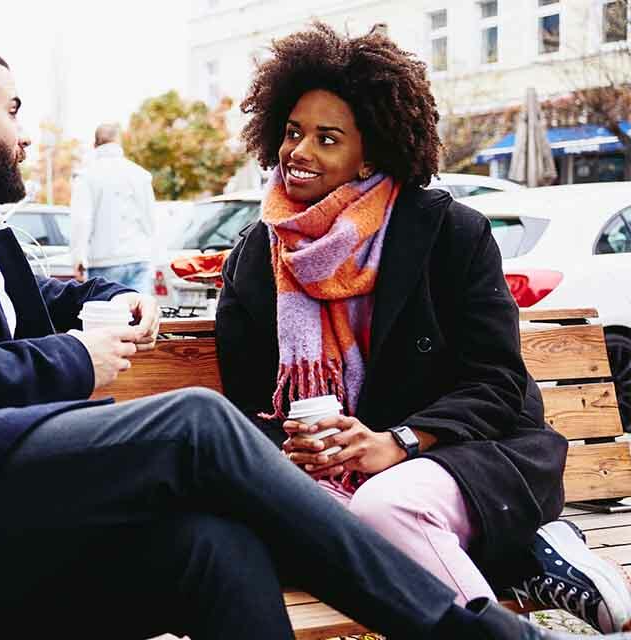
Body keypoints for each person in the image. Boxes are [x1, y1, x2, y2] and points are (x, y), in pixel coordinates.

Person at [0, 40, 631, 639]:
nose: (27, 130)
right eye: (13, 109)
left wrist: (118, 299)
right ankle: (460, 633)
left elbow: (54, 301)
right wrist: (81, 357)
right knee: (194, 422)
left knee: (215, 548)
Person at [215, 22, 631, 635]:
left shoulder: (447, 233)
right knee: (304, 520)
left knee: (386, 505)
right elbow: (250, 399)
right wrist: (299, 447)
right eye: (293, 131)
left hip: (471, 456)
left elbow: (496, 384)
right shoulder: (257, 254)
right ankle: (522, 554)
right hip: (335, 476)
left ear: (373, 152)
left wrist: (399, 443)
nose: (298, 152)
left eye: (327, 139)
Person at [70, 122, 156, 293]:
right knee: (139, 316)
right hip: (138, 257)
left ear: (95, 144)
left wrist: (78, 257)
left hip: (103, 261)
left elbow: (81, 220)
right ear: (119, 142)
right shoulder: (140, 174)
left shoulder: (87, 176)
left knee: (108, 318)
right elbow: (150, 220)